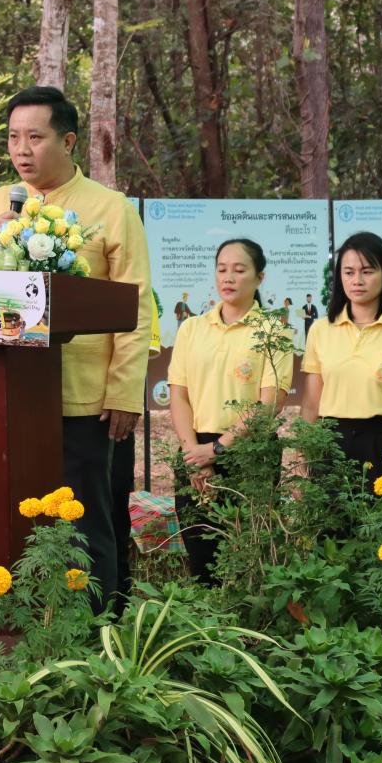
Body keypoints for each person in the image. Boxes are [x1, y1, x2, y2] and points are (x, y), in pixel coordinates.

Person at [0, 85, 154, 610]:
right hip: (3, 395)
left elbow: (136, 306)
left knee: (88, 523)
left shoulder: (110, 210)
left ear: (67, 141)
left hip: (81, 399)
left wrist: (125, 390)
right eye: (14, 138)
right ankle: (21, 624)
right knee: (12, 517)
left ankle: (98, 627)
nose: (22, 149)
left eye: (34, 137)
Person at [169, 239, 292, 584]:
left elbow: (269, 404)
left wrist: (217, 449)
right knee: (201, 557)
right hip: (193, 452)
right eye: (222, 269)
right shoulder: (192, 328)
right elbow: (178, 395)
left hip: (248, 454)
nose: (229, 277)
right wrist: (193, 451)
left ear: (259, 277)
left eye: (239, 270)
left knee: (247, 556)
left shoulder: (273, 330)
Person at [300, 231, 382, 488]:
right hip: (330, 448)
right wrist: (303, 466)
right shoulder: (321, 330)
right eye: (348, 272)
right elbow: (311, 407)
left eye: (367, 271)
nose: (357, 280)